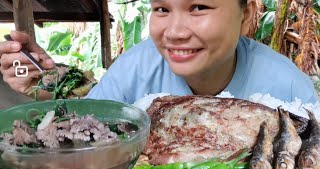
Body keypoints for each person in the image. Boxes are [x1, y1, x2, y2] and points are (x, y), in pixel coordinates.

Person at [0, 0, 318, 104]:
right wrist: (42, 84)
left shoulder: (290, 90)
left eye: (198, 7)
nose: (175, 32)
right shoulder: (131, 72)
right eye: (162, 8)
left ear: (247, 15)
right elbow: (87, 127)